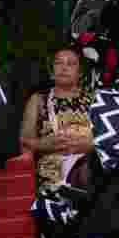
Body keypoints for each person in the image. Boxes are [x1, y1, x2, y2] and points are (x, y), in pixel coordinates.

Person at [20, 47, 95, 191]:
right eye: (59, 63)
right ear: (52, 70)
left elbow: (108, 140)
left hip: (88, 170)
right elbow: (24, 142)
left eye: (71, 64)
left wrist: (90, 144)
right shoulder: (38, 100)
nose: (64, 68)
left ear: (79, 72)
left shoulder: (94, 99)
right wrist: (43, 144)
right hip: (53, 176)